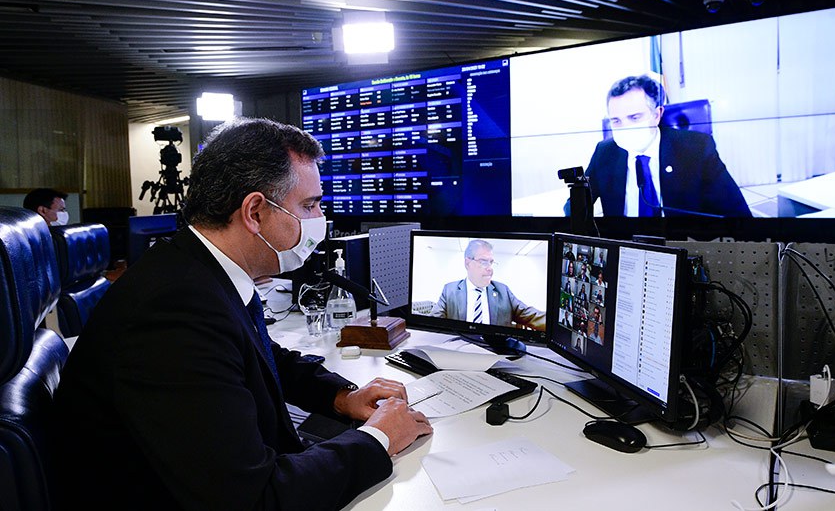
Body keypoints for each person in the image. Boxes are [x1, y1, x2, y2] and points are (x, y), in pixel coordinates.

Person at [51, 118, 433, 510]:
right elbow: (254, 499)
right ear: (254, 212)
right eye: (309, 205)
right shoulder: (172, 312)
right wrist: (378, 439)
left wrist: (339, 396)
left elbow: (260, 357)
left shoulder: (197, 270)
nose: (319, 219)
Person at [575, 75, 751, 217]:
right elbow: (576, 205)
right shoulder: (604, 152)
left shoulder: (697, 148)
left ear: (656, 115)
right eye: (616, 121)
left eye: (635, 118)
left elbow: (737, 212)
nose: (625, 127)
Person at [431, 239, 545, 331]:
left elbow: (532, 316)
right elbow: (432, 323)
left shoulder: (503, 291)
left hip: (494, 349)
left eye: (491, 262)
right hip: (458, 348)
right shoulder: (450, 290)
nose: (490, 268)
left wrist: (554, 323)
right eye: (483, 262)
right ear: (467, 263)